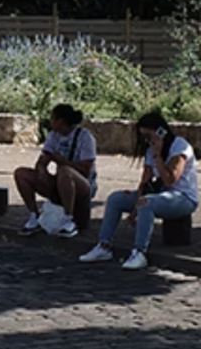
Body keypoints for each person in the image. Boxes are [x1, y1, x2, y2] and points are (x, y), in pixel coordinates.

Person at [81, 113, 201, 271]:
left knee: (147, 203)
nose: (146, 140)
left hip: (183, 198)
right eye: (143, 136)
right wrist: (134, 207)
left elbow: (170, 180)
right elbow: (145, 182)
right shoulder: (150, 150)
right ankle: (104, 245)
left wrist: (158, 154)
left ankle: (139, 251)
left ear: (160, 131)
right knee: (116, 199)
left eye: (148, 135)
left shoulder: (179, 147)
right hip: (158, 195)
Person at [15, 104, 98, 238]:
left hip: (82, 184)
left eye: (52, 118)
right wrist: (41, 169)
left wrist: (63, 161)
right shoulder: (53, 136)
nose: (50, 121)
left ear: (60, 121)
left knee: (65, 171)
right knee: (21, 174)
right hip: (61, 181)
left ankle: (68, 219)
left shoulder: (84, 137)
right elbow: (43, 158)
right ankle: (33, 216)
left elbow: (86, 169)